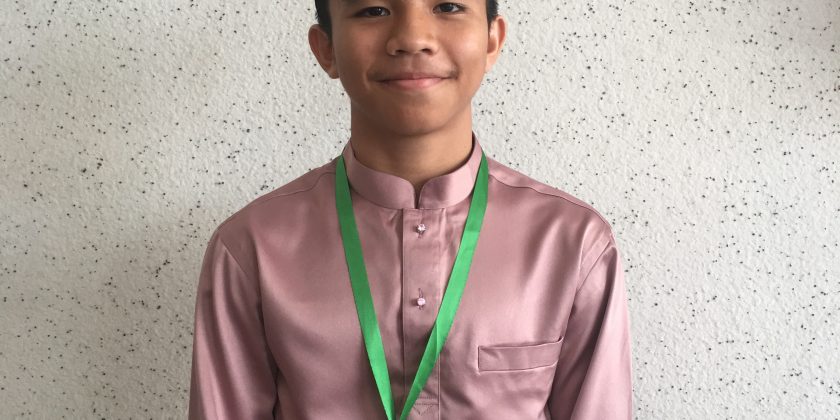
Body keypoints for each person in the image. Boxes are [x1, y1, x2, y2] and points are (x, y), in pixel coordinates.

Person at [188, 0, 632, 419]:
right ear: (326, 49)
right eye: (374, 9)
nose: (413, 38)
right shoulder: (251, 248)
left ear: (492, 40)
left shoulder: (573, 243)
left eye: (448, 6)